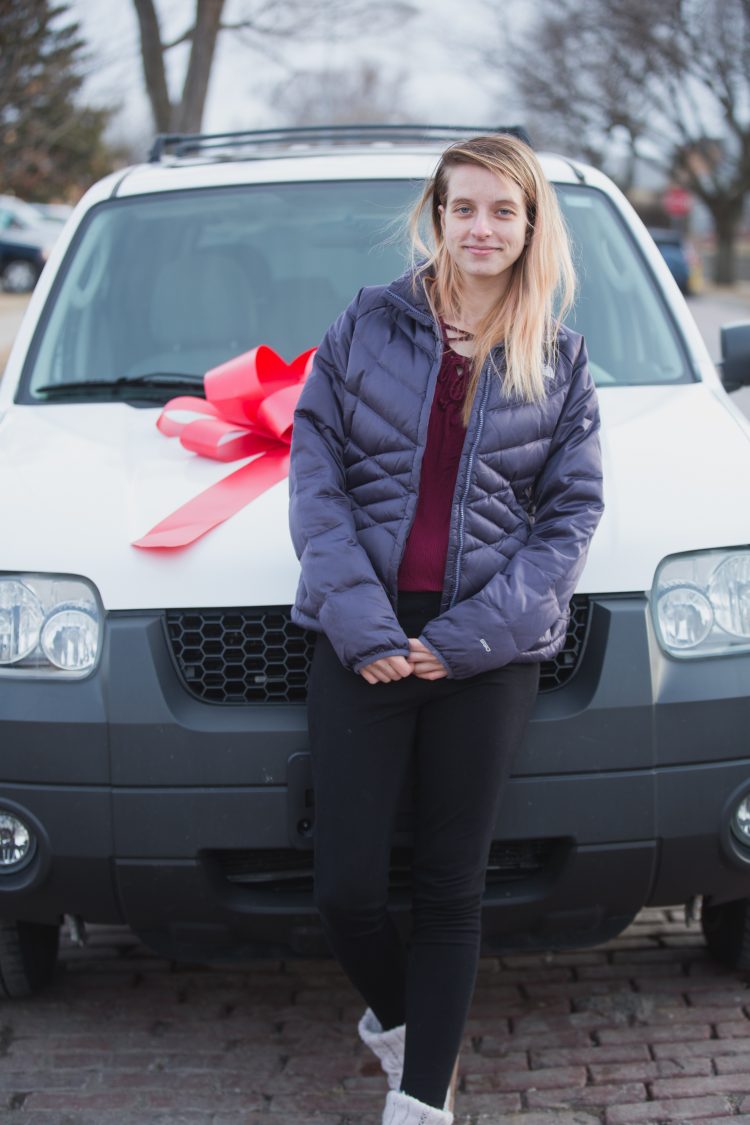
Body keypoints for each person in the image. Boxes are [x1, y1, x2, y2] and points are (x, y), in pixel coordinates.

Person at [288, 132, 604, 1125]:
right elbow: (315, 472)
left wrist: (466, 639)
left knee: (449, 889)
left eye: (503, 210)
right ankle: (409, 1029)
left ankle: (423, 1102)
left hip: (487, 650)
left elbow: (570, 519)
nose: (482, 227)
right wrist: (361, 621)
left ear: (531, 225)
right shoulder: (366, 325)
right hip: (364, 637)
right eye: (464, 207)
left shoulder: (558, 357)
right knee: (345, 889)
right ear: (436, 215)